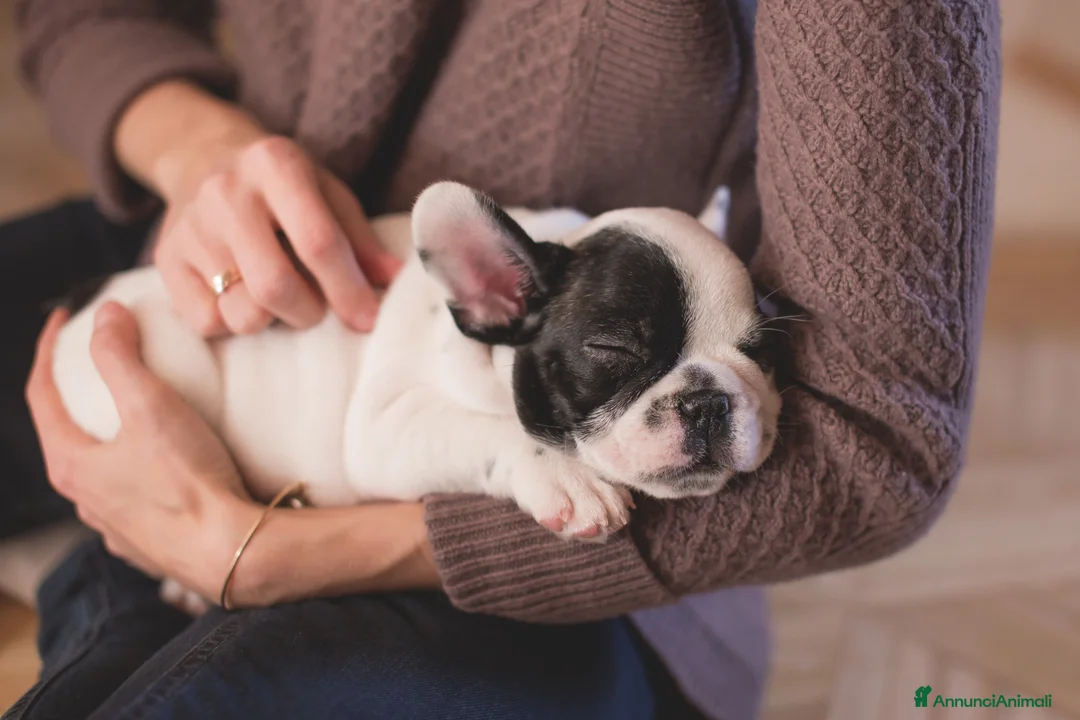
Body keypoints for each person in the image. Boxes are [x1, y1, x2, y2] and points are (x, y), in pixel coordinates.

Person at [1, 0, 1001, 718]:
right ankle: (116, 581)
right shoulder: (514, 289)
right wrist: (200, 151)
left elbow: (880, 438)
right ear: (489, 296)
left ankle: (108, 589)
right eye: (627, 362)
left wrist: (268, 558)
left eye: (749, 356)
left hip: (567, 580)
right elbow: (79, 18)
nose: (703, 402)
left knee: (207, 696)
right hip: (223, 271)